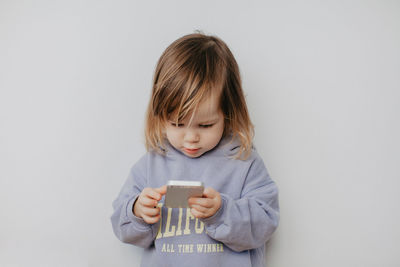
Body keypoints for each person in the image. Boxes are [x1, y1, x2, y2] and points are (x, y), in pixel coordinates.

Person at [110, 32, 279, 267]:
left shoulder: (243, 161)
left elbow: (266, 224)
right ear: (160, 116)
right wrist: (137, 211)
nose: (191, 138)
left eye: (206, 125)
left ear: (228, 114)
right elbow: (122, 226)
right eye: (177, 124)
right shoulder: (151, 164)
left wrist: (222, 212)